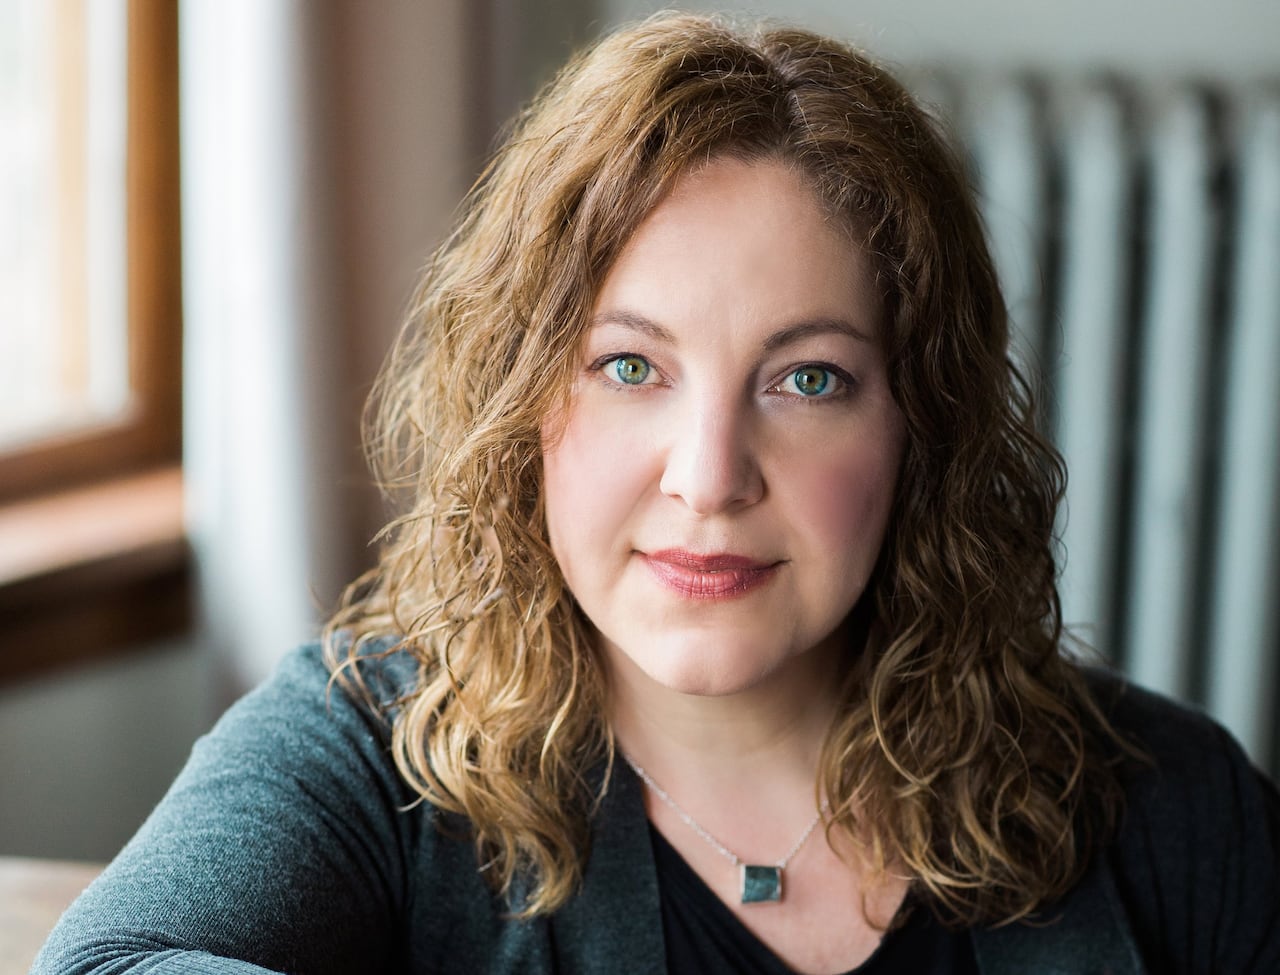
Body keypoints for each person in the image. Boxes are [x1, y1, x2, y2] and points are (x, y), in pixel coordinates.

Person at [35, 12, 1279, 975]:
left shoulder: (1170, 807)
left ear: (917, 425)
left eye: (806, 379)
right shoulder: (373, 747)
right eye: (630, 366)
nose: (707, 476)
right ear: (525, 402)